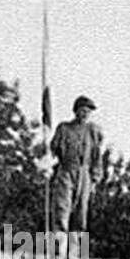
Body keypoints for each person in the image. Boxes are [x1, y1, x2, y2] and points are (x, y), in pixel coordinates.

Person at [50, 95, 104, 235]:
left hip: (84, 174)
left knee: (81, 214)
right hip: (66, 171)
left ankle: (78, 254)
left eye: (89, 111)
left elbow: (97, 157)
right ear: (76, 111)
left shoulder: (93, 131)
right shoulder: (64, 128)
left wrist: (95, 179)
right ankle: (58, 253)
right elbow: (52, 150)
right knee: (62, 210)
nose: (86, 114)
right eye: (83, 110)